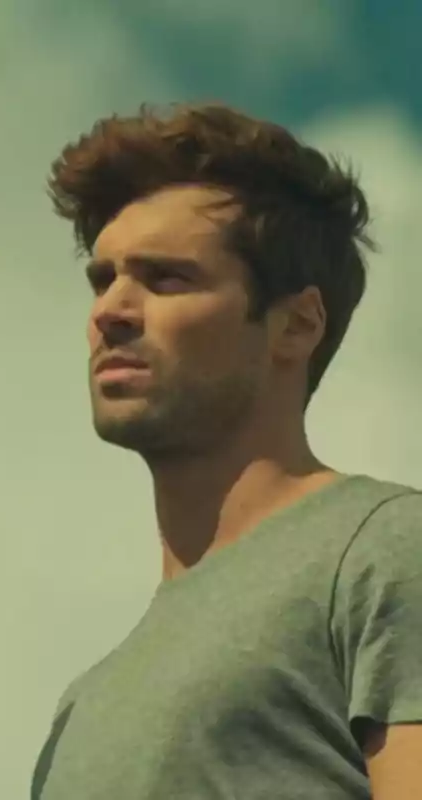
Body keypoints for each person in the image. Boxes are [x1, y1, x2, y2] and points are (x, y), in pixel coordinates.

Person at [30, 103, 422, 798]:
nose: (110, 310)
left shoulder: (386, 551)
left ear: (295, 325)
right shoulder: (80, 708)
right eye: (103, 278)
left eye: (167, 278)